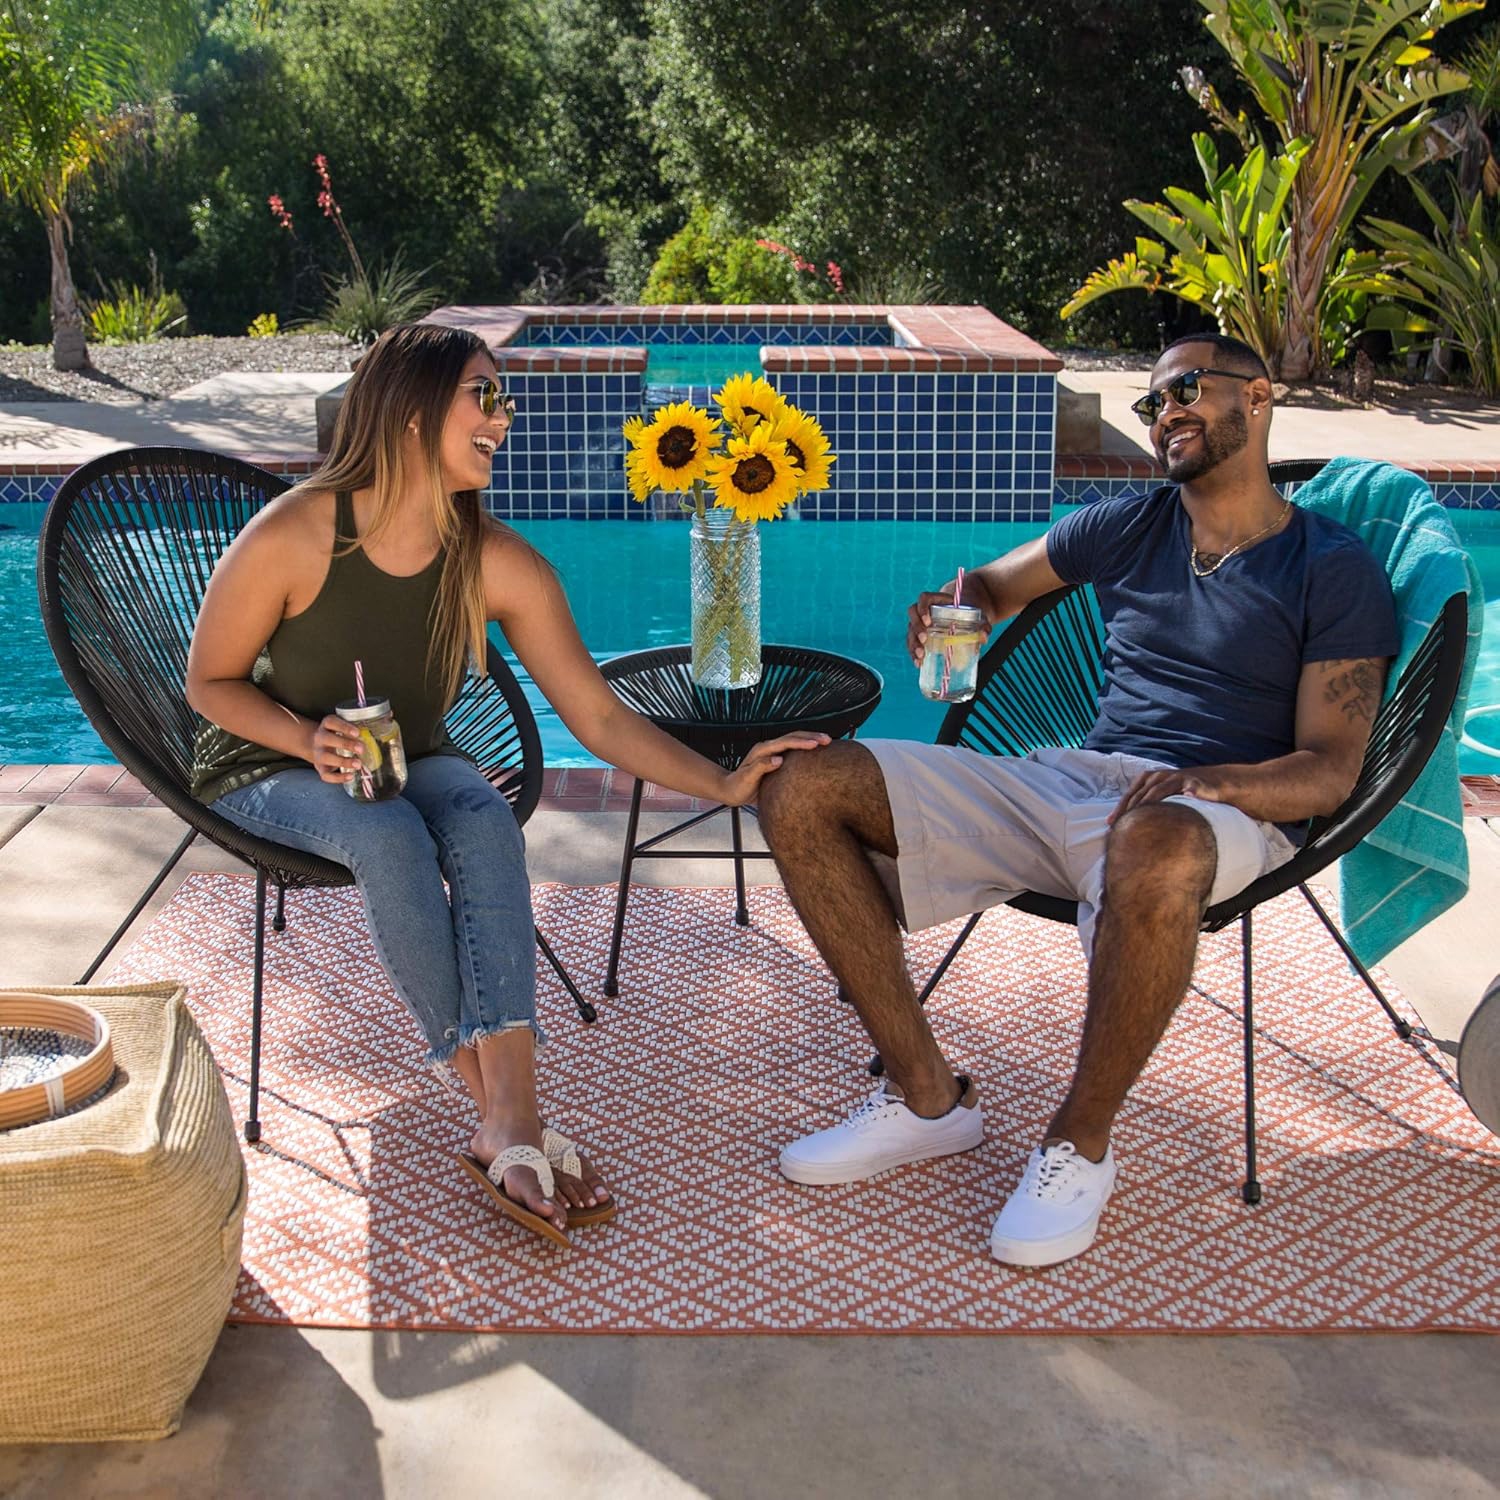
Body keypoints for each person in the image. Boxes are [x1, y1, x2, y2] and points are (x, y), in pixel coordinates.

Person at [756, 333, 1400, 1268]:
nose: (1166, 413)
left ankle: (1077, 1144)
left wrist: (1205, 782)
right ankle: (925, 1097)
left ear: (1256, 399)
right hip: (1080, 781)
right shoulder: (1132, 522)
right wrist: (954, 608)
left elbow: (1330, 770)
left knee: (1157, 842)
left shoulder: (1327, 566)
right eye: (1152, 403)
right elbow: (996, 582)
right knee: (802, 785)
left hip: (1223, 814)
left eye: (1186, 389)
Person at [186, 321, 826, 1249]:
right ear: (410, 413)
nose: (504, 418)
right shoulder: (298, 534)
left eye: (504, 399)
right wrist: (301, 735)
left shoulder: (495, 561)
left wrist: (724, 784)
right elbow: (209, 684)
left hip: (408, 754)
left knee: (484, 817)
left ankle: (510, 1120)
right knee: (389, 834)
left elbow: (598, 718)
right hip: (262, 762)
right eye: (482, 397)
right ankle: (502, 1118)